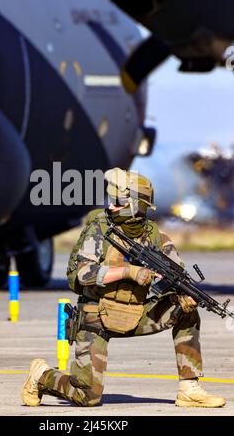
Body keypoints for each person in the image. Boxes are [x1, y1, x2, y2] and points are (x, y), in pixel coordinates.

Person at [21, 168, 226, 408]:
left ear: (137, 205)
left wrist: (183, 295)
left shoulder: (157, 238)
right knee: (87, 396)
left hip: (136, 314)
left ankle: (189, 388)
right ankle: (41, 375)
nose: (111, 206)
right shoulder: (99, 230)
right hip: (96, 316)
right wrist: (128, 272)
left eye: (118, 201)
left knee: (186, 308)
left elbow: (175, 274)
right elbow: (81, 273)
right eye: (111, 199)